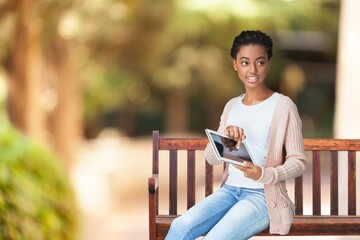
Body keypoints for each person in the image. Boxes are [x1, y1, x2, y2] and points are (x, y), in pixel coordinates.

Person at [165, 30, 307, 240]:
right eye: (245, 62)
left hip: (263, 197)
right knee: (180, 227)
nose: (253, 70)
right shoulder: (232, 106)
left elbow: (299, 162)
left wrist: (263, 174)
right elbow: (211, 158)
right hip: (230, 191)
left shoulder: (284, 106)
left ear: (268, 63)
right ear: (235, 64)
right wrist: (227, 136)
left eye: (260, 62)